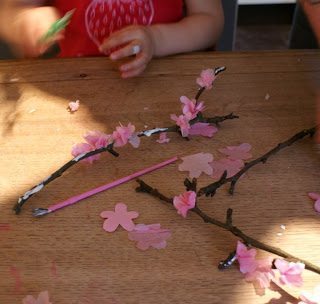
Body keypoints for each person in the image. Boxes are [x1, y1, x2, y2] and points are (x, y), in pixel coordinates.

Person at [0, 0, 224, 78]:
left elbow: (210, 21)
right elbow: (10, 10)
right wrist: (23, 19)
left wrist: (158, 39)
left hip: (162, 80)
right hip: (74, 84)